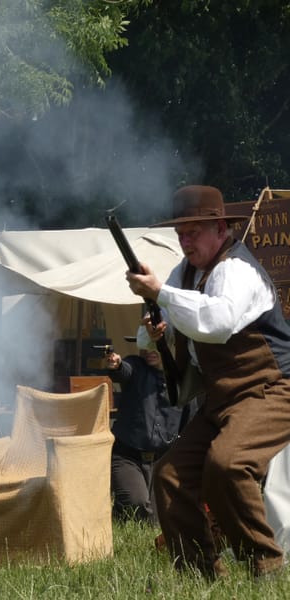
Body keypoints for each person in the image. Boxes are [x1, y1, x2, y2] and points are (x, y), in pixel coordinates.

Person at [126, 184, 290, 580]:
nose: (185, 241)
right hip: (222, 400)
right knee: (168, 477)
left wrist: (161, 294)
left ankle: (265, 566)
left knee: (228, 464)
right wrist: (156, 322)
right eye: (181, 233)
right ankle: (202, 575)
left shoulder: (239, 269)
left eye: (193, 231)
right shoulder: (183, 273)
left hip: (272, 391)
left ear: (220, 228)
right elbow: (149, 335)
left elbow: (216, 323)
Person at [104, 336, 185, 524]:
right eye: (145, 345)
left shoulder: (182, 378)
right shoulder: (136, 366)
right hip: (128, 457)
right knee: (137, 504)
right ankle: (118, 516)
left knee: (158, 521)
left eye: (154, 346)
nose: (149, 350)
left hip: (162, 460)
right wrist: (116, 365)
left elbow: (189, 420)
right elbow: (123, 371)